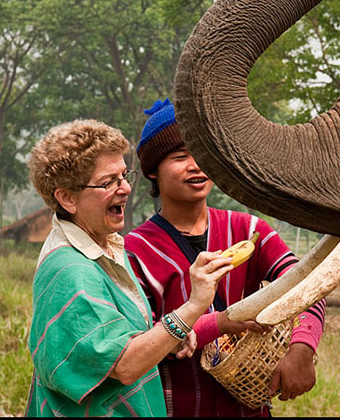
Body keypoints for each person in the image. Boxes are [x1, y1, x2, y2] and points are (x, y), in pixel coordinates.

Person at [125, 98, 326, 417]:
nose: (195, 165)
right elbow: (140, 344)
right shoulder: (134, 252)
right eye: (180, 157)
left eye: (202, 154)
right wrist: (219, 323)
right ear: (152, 171)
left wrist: (302, 346)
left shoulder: (250, 231)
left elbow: (307, 284)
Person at [24, 119, 233, 417]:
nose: (125, 189)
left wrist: (166, 338)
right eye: (108, 182)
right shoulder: (71, 269)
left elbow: (119, 336)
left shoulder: (106, 247)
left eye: (124, 176)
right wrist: (193, 307)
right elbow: (124, 364)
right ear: (67, 198)